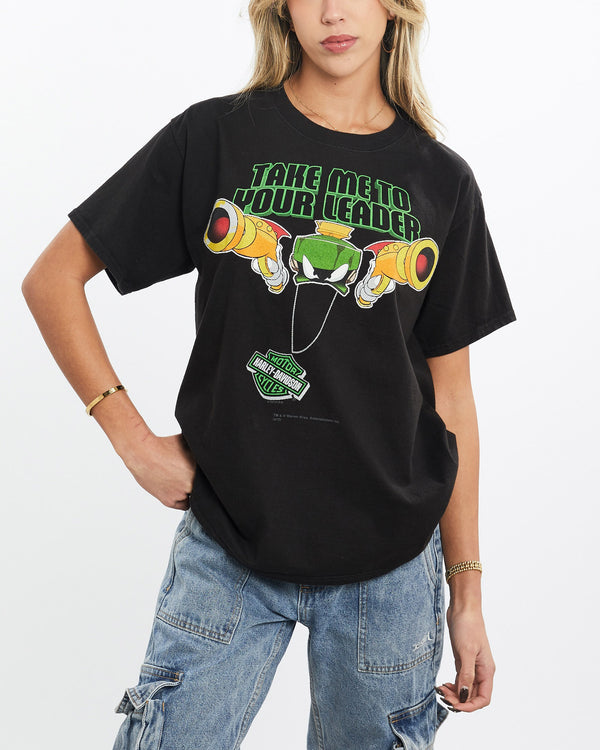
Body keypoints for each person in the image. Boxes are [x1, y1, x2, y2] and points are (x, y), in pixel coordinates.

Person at [22, 1, 516, 747]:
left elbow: (452, 400)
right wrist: (131, 440)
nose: (332, 12)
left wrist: (468, 592)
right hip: (231, 540)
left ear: (394, 8)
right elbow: (52, 279)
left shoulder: (441, 180)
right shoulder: (217, 136)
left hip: (389, 563)